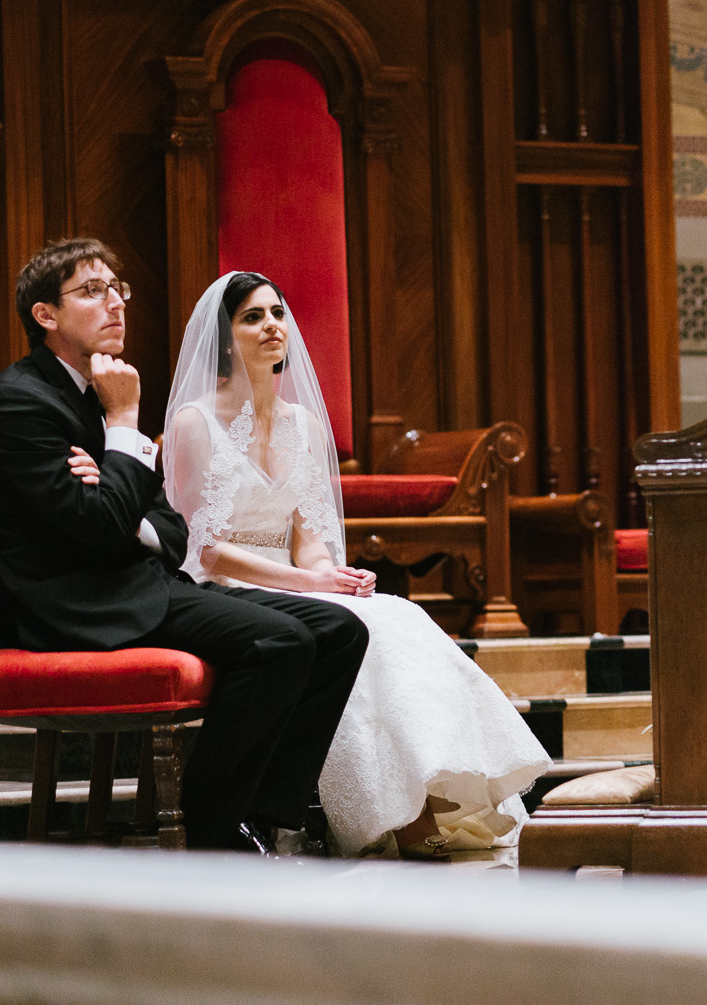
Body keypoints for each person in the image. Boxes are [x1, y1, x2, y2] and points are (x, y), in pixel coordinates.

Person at [0, 238, 368, 854]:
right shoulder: (25, 403)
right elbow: (101, 526)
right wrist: (124, 428)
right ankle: (215, 832)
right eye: (92, 291)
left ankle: (266, 815)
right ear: (45, 315)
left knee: (341, 632)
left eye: (117, 289)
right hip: (83, 605)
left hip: (138, 581)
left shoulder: (90, 389)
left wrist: (122, 500)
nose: (116, 304)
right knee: (280, 643)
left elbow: (167, 523)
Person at [161, 271, 552, 858]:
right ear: (223, 339)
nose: (272, 326)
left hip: (296, 581)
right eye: (252, 317)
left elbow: (312, 538)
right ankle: (402, 817)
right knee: (356, 629)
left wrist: (335, 576)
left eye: (277, 313)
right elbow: (207, 548)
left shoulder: (304, 427)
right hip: (224, 588)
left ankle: (434, 795)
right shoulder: (197, 422)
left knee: (395, 617)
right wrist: (310, 581)